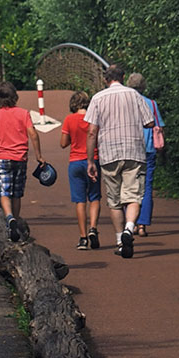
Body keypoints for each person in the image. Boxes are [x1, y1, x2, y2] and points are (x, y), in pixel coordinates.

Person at [86, 64, 154, 258]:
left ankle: (119, 240)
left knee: (114, 201)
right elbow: (149, 121)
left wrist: (91, 161)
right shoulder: (134, 95)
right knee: (133, 196)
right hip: (134, 152)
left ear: (106, 79)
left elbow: (91, 131)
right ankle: (129, 228)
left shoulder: (98, 98)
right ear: (123, 77)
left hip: (109, 154)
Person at [0, 80, 45, 242]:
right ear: (15, 97)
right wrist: (38, 155)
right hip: (20, 157)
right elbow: (33, 133)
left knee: (4, 191)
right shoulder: (23, 113)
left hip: (3, 156)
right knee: (17, 193)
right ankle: (16, 222)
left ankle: (9, 218)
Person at [60, 90, 101, 250]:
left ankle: (83, 238)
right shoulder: (93, 119)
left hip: (75, 162)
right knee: (95, 198)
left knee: (80, 201)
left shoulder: (69, 119)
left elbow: (63, 143)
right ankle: (93, 228)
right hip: (93, 160)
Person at [126, 73, 164, 238]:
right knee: (146, 187)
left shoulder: (126, 103)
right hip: (148, 149)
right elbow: (159, 126)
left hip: (131, 150)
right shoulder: (152, 104)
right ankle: (142, 225)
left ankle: (130, 223)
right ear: (144, 86)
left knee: (128, 187)